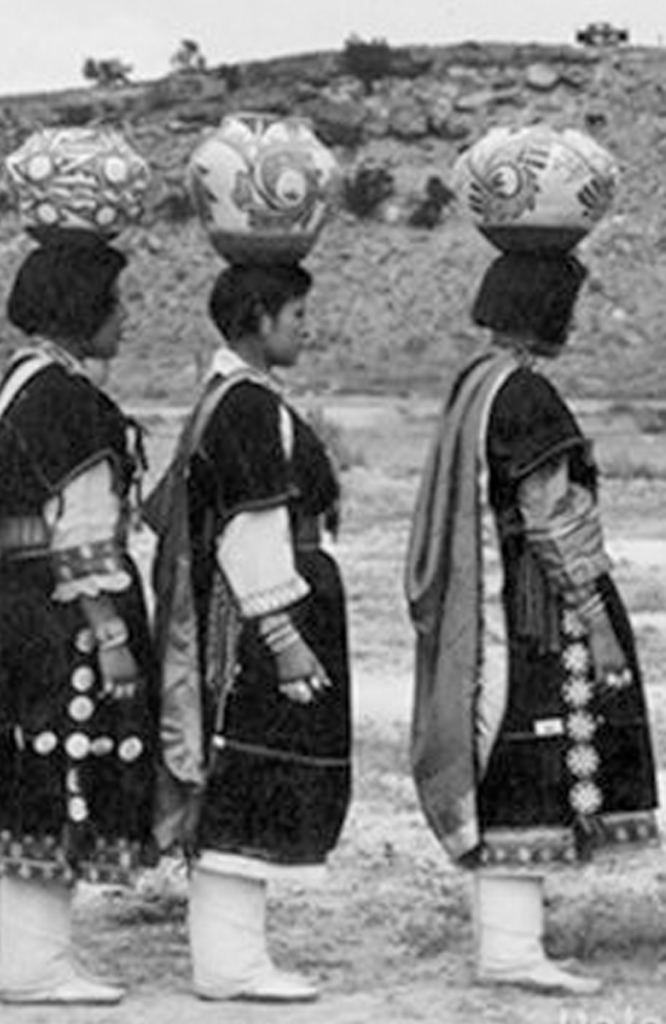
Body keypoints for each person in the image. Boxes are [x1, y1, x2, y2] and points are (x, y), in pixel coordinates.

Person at [405, 251, 659, 996]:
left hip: (505, 599)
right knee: (529, 754)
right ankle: (511, 953)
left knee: (515, 751)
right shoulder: (524, 395)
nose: (574, 324)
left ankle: (512, 944)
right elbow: (550, 519)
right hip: (535, 610)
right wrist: (598, 623)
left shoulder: (477, 384)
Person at [0, 232, 158, 1006]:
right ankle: (34, 967)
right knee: (63, 767)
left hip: (23, 606)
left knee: (37, 765)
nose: (124, 319)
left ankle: (39, 959)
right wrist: (114, 635)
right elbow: (81, 527)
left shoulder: (19, 385)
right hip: (69, 618)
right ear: (81, 308)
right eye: (114, 302)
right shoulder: (68, 399)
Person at [144, 263, 351, 1003]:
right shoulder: (248, 407)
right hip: (261, 612)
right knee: (250, 767)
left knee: (249, 767)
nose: (305, 327)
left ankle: (233, 957)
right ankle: (230, 965)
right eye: (296, 314)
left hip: (263, 603)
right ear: (259, 319)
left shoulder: (236, 398)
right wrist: (284, 636)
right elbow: (249, 526)